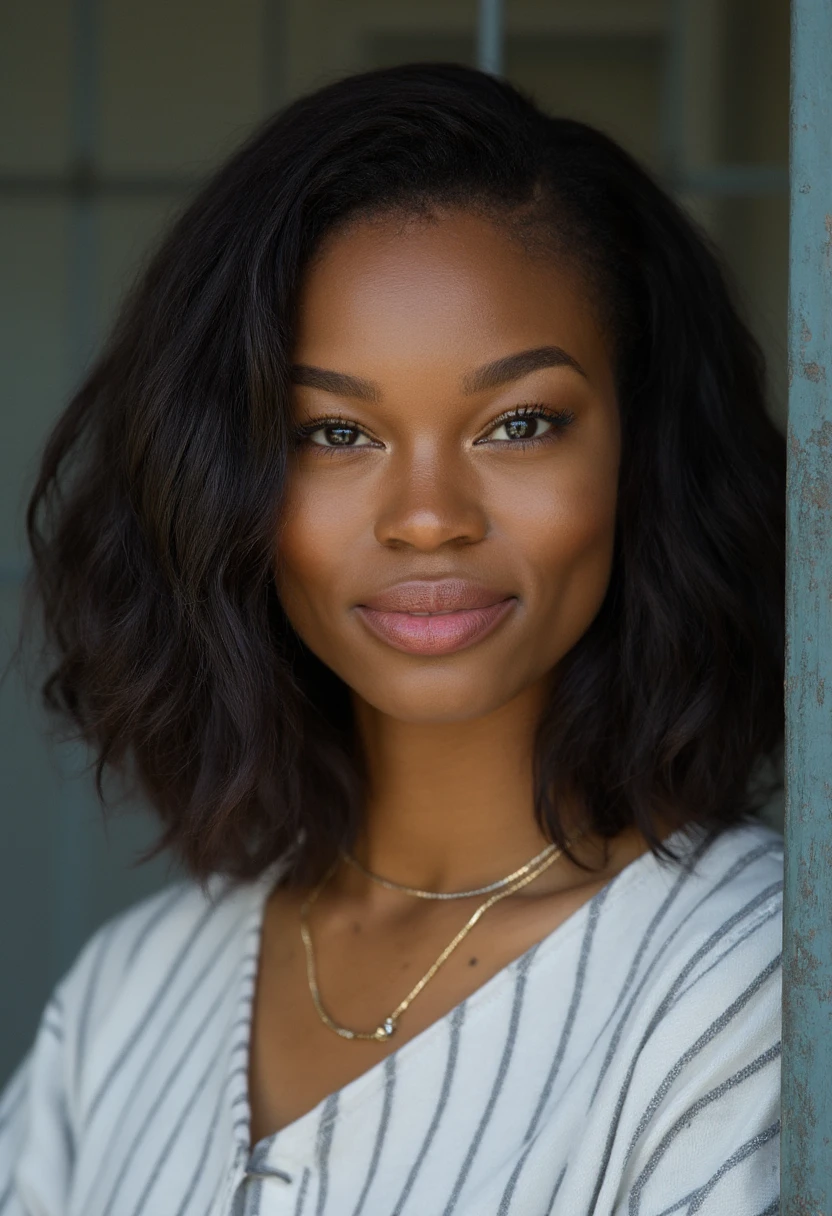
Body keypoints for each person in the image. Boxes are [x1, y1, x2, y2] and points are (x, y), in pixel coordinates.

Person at [0, 63, 784, 1215]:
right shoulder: (131, 990)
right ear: (222, 480)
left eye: (520, 423)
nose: (426, 515)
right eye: (333, 432)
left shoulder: (754, 981)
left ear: (641, 451)